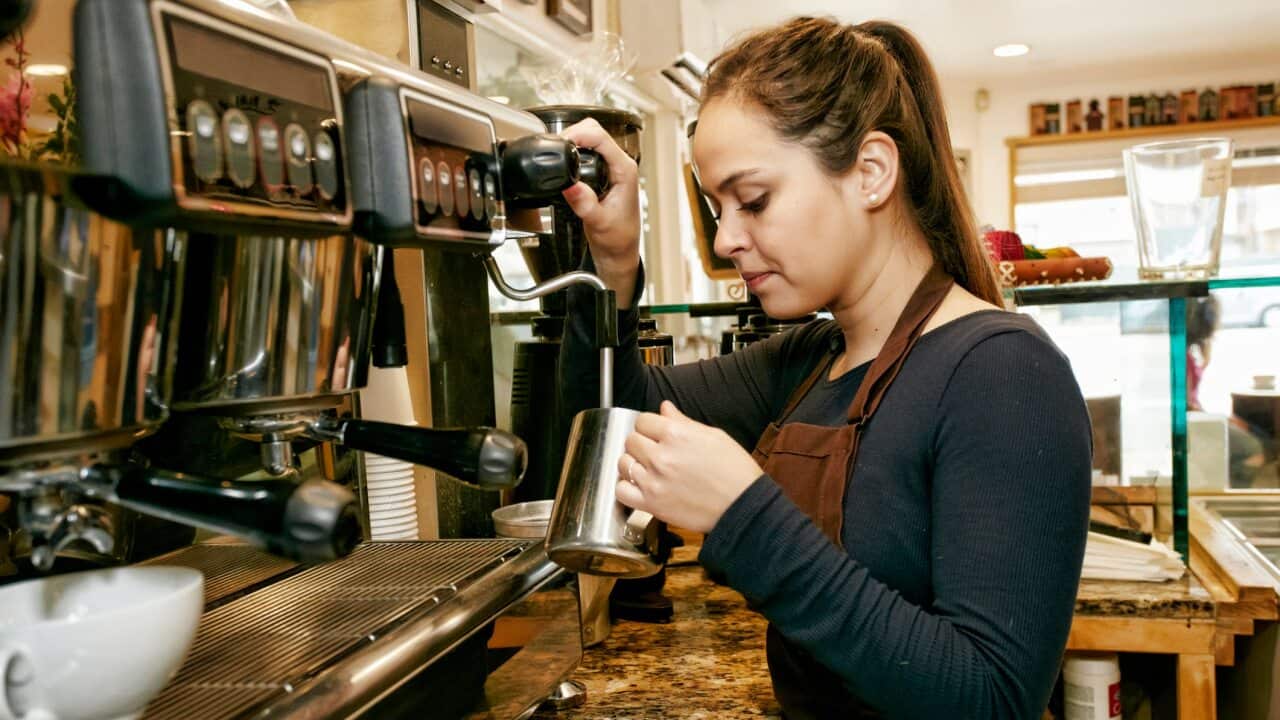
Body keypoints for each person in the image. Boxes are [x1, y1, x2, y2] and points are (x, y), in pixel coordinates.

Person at [556, 16, 1092, 719]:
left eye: (753, 201)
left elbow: (990, 699)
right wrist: (611, 264)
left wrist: (743, 515)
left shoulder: (1004, 374)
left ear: (871, 173)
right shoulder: (810, 359)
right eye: (717, 209)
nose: (726, 240)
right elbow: (610, 420)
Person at [1185, 296, 1267, 487]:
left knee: (1258, 434)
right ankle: (1235, 490)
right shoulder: (1184, 357)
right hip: (1194, 422)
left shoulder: (1188, 354)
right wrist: (1222, 420)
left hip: (1197, 417)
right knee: (1253, 448)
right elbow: (1188, 406)